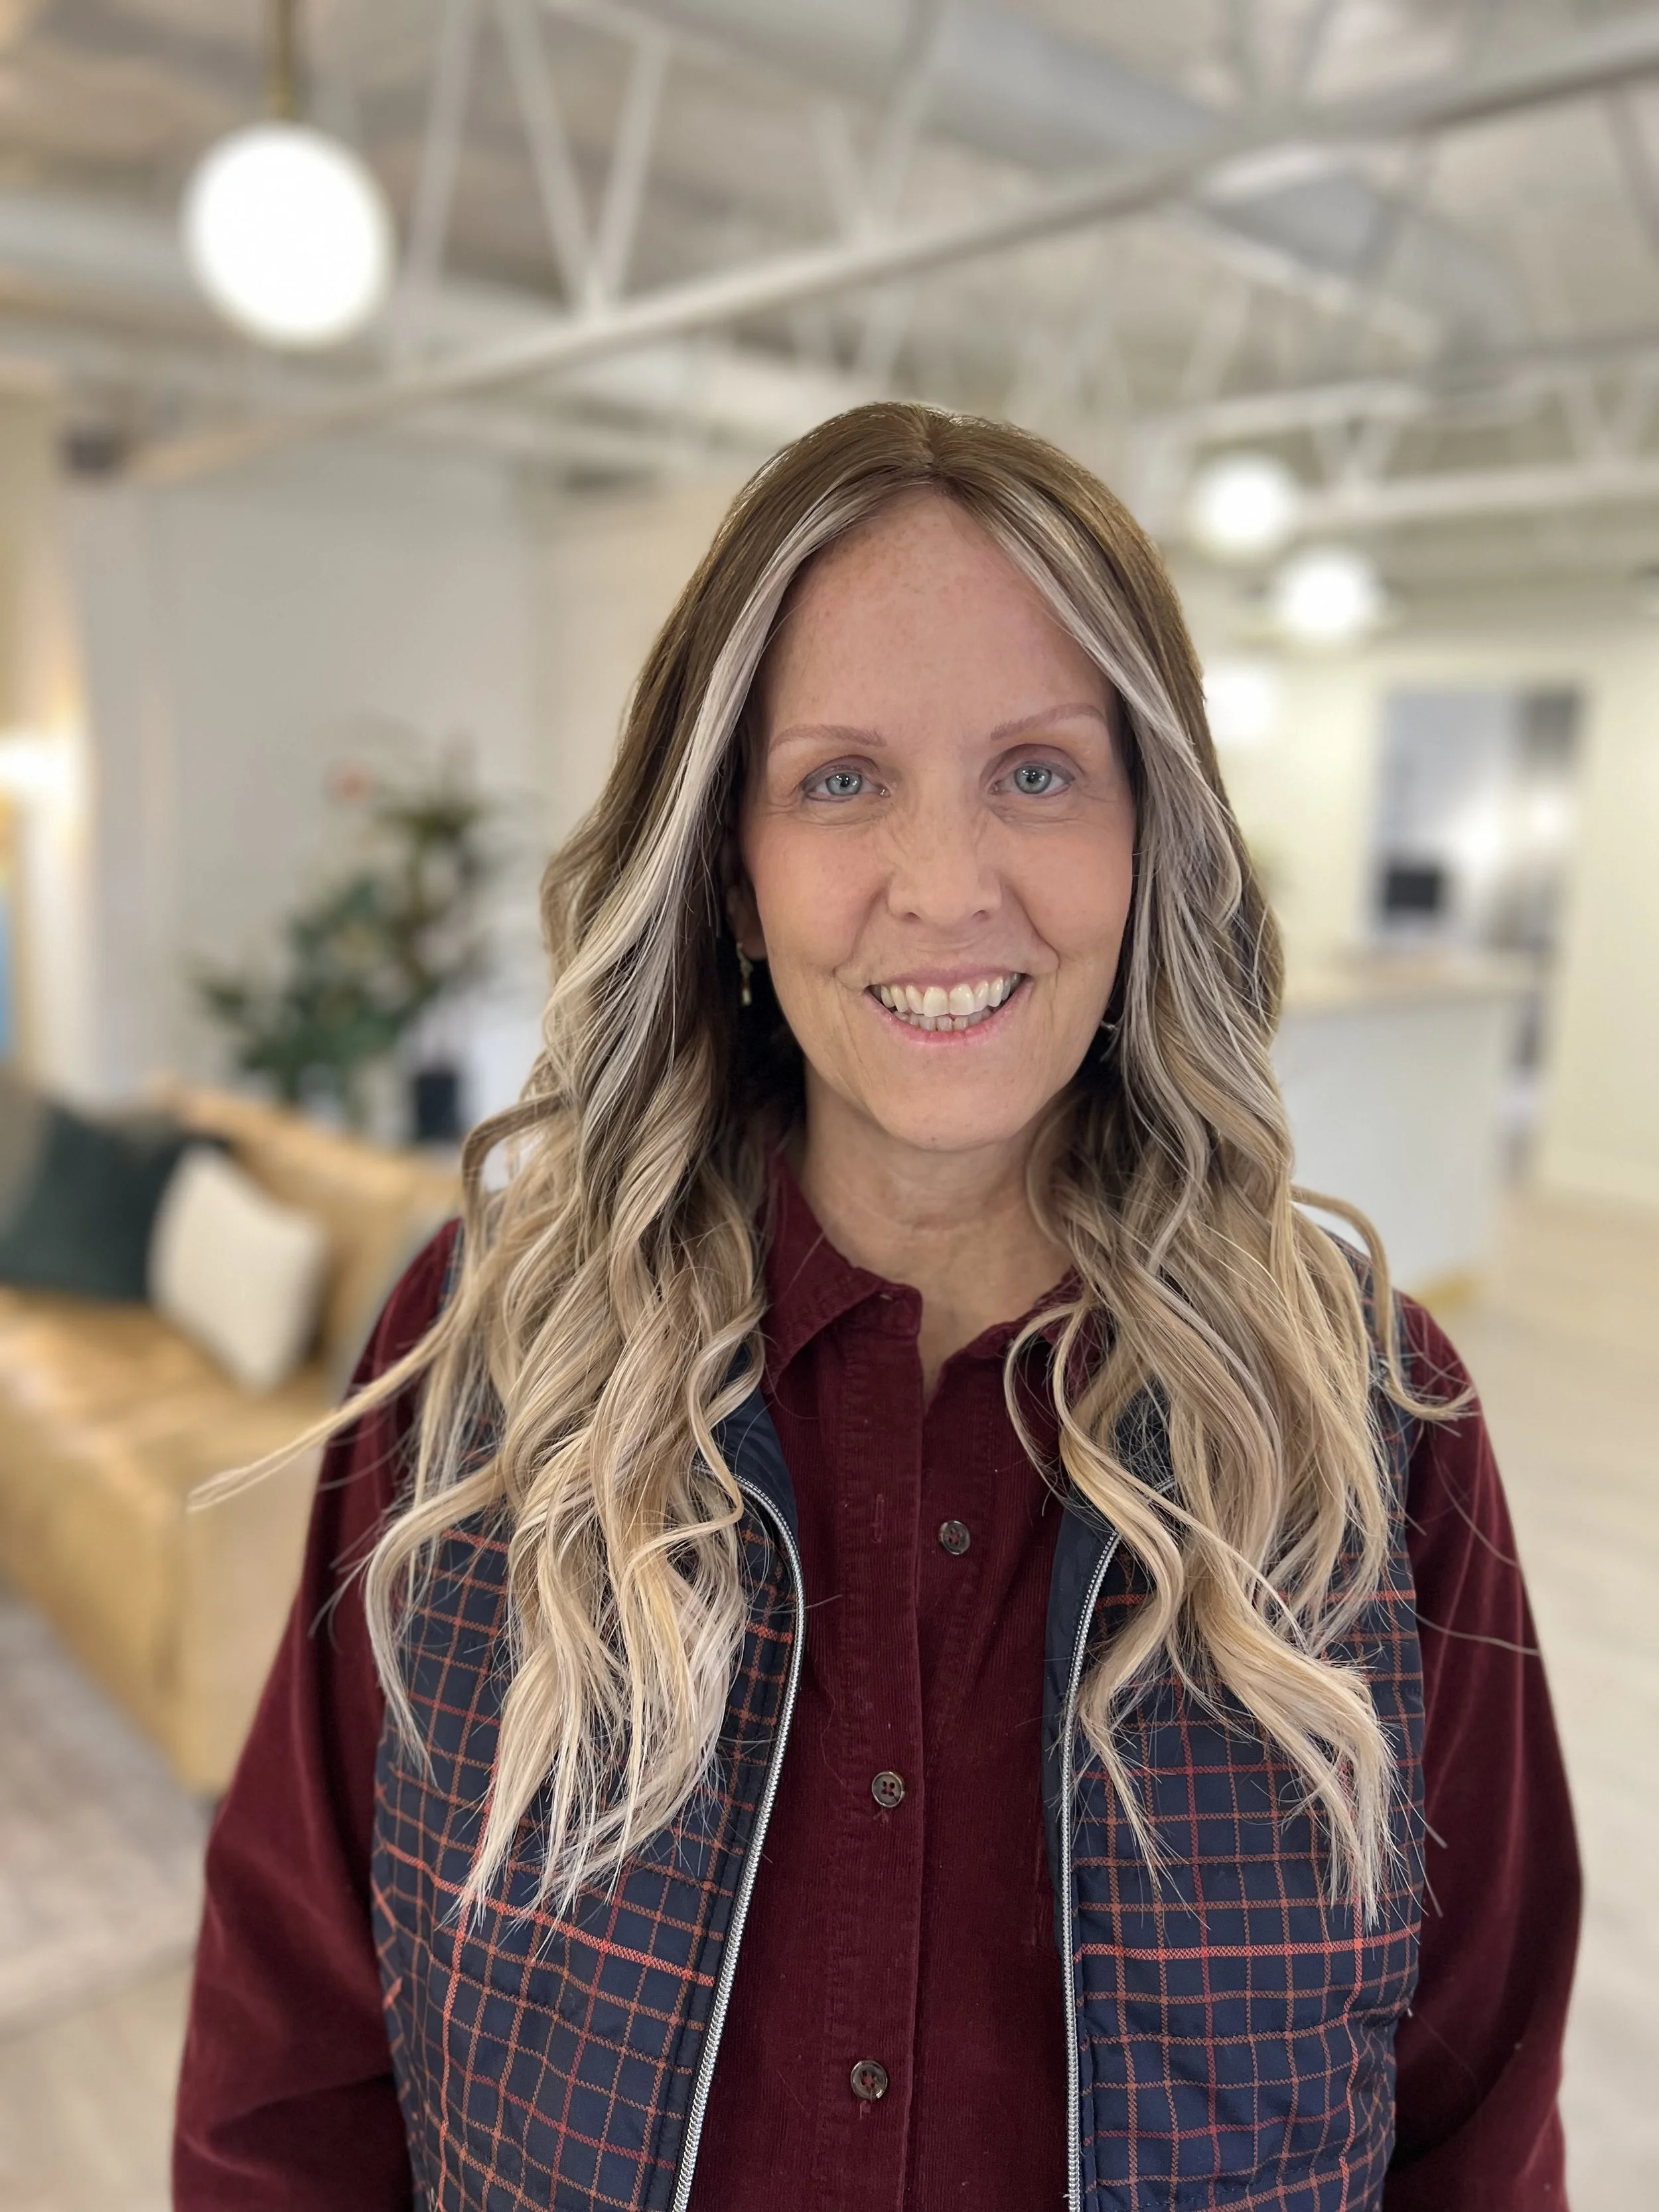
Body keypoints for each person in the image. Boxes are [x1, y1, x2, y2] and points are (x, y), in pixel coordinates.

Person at [174, 404, 1577, 2212]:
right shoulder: (482, 1365)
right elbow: (290, 2069)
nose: (943, 883)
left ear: (1150, 837)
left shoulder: (1374, 1429)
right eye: (841, 778)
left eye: (1039, 771)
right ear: (734, 877)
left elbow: (1477, 2128)